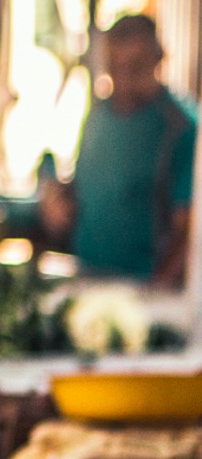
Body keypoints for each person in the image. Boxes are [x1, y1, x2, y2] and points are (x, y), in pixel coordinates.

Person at [43, 14, 195, 283]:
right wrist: (57, 197)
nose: (123, 81)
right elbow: (88, 188)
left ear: (158, 60)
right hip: (87, 275)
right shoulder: (99, 115)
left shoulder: (181, 128)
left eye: (134, 68)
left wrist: (156, 293)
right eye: (115, 68)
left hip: (142, 288)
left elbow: (189, 230)